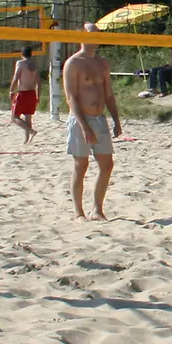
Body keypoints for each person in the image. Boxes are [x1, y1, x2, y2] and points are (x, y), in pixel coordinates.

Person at [63, 23, 122, 220]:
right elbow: (71, 98)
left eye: (98, 32)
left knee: (107, 164)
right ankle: (79, 212)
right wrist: (84, 126)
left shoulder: (102, 63)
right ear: (82, 35)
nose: (96, 36)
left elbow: (109, 94)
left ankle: (97, 209)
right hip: (81, 119)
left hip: (99, 118)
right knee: (81, 165)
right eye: (92, 32)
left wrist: (116, 120)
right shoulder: (73, 63)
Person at [9, 46, 40, 143]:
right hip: (32, 93)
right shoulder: (34, 65)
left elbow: (16, 77)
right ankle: (27, 140)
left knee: (14, 117)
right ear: (31, 54)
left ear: (22, 54)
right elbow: (39, 83)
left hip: (22, 93)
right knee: (28, 117)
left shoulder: (21, 63)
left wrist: (11, 90)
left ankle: (31, 131)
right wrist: (38, 95)